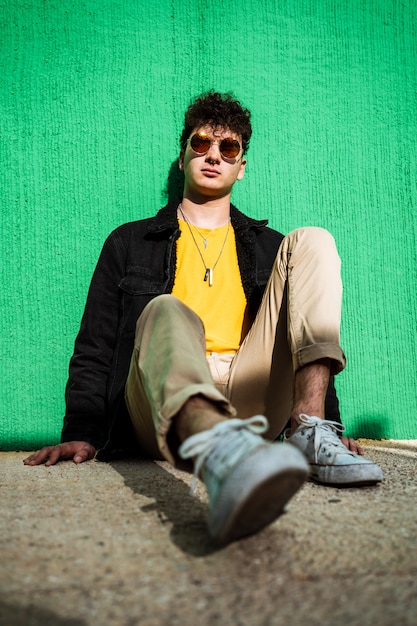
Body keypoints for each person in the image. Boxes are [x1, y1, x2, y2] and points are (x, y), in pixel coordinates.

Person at [24, 91, 383, 546]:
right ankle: (221, 457)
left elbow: (307, 329)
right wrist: (81, 432)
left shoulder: (272, 248)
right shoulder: (131, 242)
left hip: (252, 392)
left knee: (313, 239)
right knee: (164, 308)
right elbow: (95, 344)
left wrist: (332, 417)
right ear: (182, 157)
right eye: (200, 144)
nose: (213, 155)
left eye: (228, 148)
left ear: (241, 166)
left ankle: (312, 432)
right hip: (166, 406)